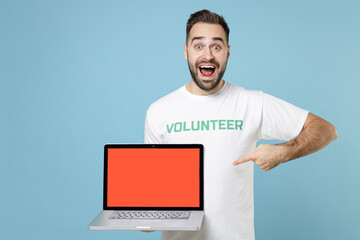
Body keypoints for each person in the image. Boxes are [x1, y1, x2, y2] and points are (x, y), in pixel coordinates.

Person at [144, 9, 337, 240]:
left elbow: (326, 130)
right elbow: (152, 191)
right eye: (198, 46)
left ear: (227, 52)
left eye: (216, 46)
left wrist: (284, 152)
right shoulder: (159, 111)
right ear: (186, 52)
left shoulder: (251, 103)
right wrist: (146, 214)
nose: (208, 55)